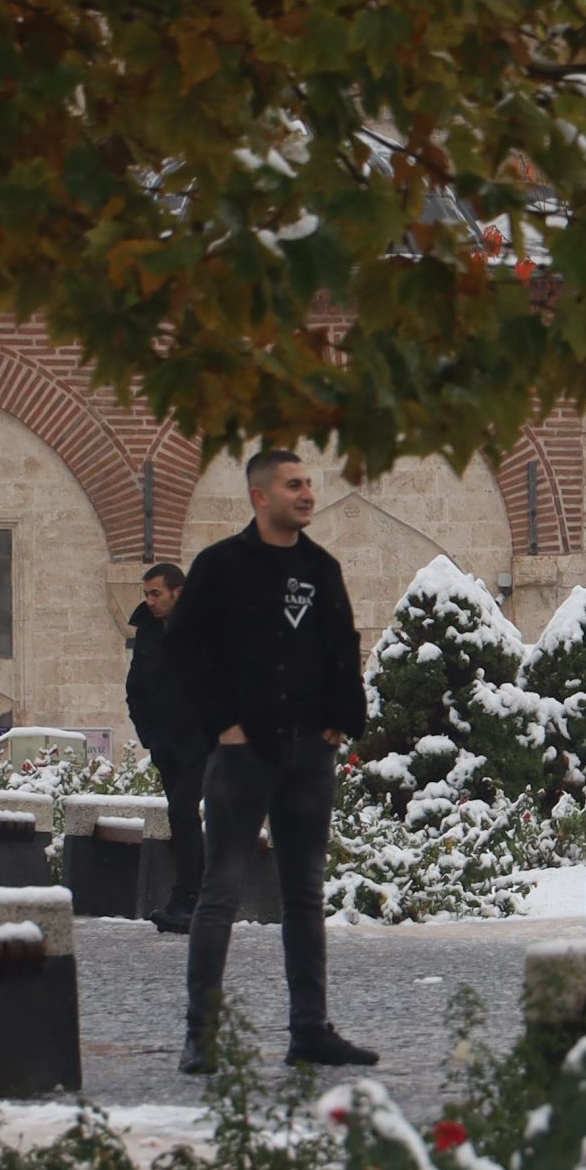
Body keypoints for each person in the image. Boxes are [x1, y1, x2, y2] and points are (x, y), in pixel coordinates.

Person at [166, 448, 377, 1074]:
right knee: (220, 894)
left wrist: (343, 720)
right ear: (261, 496)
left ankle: (309, 1029)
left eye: (310, 484)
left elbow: (343, 644)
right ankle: (201, 1035)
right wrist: (223, 726)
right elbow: (184, 651)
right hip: (242, 756)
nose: (307, 494)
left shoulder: (320, 568)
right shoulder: (221, 567)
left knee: (305, 897)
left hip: (309, 754)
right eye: (293, 485)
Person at [123, 562, 208, 931]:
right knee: (182, 817)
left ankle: (186, 901)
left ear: (179, 592)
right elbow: (135, 688)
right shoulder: (146, 629)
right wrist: (150, 735)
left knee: (183, 813)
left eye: (156, 593)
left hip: (205, 744)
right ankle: (197, 902)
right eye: (146, 594)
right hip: (167, 746)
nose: (150, 601)